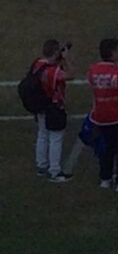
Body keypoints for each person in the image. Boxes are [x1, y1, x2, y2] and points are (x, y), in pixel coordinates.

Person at [87, 38, 118, 193]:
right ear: (113, 52)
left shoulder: (92, 70)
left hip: (101, 115)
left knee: (106, 149)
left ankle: (105, 178)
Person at [30, 39, 71, 182]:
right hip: (54, 107)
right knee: (55, 138)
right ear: (55, 52)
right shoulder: (54, 71)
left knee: (42, 135)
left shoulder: (37, 64)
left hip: (40, 105)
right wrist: (65, 61)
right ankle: (54, 171)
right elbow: (69, 75)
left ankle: (41, 166)